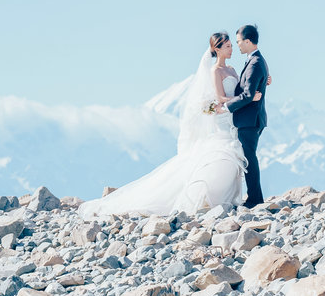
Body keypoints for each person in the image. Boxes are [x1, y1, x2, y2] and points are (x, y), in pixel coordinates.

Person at [79, 32, 257, 218]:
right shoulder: (215, 71)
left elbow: (242, 90)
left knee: (232, 156)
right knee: (222, 155)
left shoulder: (233, 70)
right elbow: (220, 98)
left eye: (231, 45)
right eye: (227, 46)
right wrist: (244, 100)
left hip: (233, 120)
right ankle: (209, 199)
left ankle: (224, 199)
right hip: (223, 119)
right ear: (217, 49)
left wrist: (259, 86)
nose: (231, 49)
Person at [223, 25, 269, 208]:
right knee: (249, 158)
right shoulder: (256, 60)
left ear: (248, 41)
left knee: (249, 159)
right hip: (251, 118)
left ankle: (255, 199)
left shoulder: (255, 62)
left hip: (250, 120)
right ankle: (254, 197)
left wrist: (227, 106)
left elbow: (248, 94)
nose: (238, 46)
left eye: (239, 42)